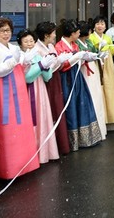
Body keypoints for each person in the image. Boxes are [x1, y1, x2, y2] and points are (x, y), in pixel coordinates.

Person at [0, 17, 40, 179]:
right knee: (5, 129)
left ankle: (23, 165)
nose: (6, 34)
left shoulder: (12, 47)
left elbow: (22, 66)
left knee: (21, 127)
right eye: (2, 31)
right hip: (1, 93)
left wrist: (26, 60)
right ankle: (7, 168)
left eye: (8, 31)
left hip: (18, 91)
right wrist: (13, 61)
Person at [54, 19, 103, 151]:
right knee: (70, 107)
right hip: (67, 79)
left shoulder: (74, 44)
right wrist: (76, 57)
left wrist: (87, 57)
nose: (79, 33)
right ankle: (72, 141)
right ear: (72, 33)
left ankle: (85, 138)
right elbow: (61, 66)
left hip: (77, 77)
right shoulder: (59, 46)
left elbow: (79, 60)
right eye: (77, 32)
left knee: (82, 103)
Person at [17, 29, 60, 163]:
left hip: (40, 89)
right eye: (26, 41)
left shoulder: (37, 55)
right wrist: (40, 67)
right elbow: (27, 78)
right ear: (20, 43)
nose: (29, 44)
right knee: (30, 119)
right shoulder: (19, 56)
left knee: (42, 118)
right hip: (27, 90)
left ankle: (44, 153)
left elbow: (47, 77)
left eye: (31, 41)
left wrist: (46, 67)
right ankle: (31, 154)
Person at [36, 21, 71, 155]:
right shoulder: (37, 49)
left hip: (55, 79)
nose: (55, 35)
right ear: (46, 35)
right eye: (53, 33)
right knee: (48, 109)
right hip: (45, 82)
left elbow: (56, 65)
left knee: (57, 108)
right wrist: (56, 62)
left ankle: (59, 143)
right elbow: (43, 69)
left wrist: (60, 60)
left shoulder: (51, 46)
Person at [90, 15, 114, 124]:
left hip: (108, 64)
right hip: (97, 64)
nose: (100, 26)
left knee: (110, 88)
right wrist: (99, 48)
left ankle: (111, 116)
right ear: (94, 26)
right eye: (98, 24)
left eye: (102, 24)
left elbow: (111, 50)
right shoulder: (91, 37)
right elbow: (91, 51)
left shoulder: (107, 37)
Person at [76, 21, 107, 140]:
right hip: (84, 71)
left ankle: (99, 128)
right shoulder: (77, 44)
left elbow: (95, 52)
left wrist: (100, 53)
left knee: (97, 96)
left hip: (93, 70)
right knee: (89, 97)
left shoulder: (88, 42)